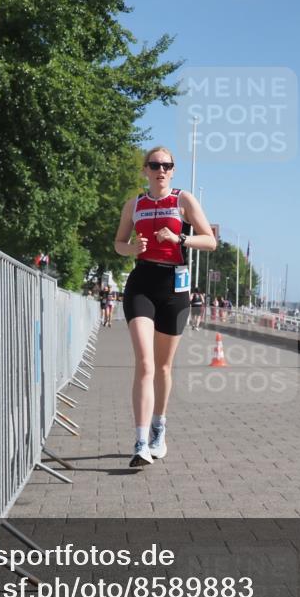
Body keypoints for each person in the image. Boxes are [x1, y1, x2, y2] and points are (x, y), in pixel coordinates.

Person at [114, 147, 216, 467]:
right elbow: (118, 243)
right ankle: (141, 442)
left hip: (174, 287)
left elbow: (210, 240)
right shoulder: (135, 204)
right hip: (142, 282)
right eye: (155, 165)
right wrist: (132, 247)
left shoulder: (182, 200)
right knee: (144, 363)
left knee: (162, 367)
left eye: (167, 165)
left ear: (172, 171)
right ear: (145, 170)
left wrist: (180, 238)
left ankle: (159, 429)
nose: (161, 169)